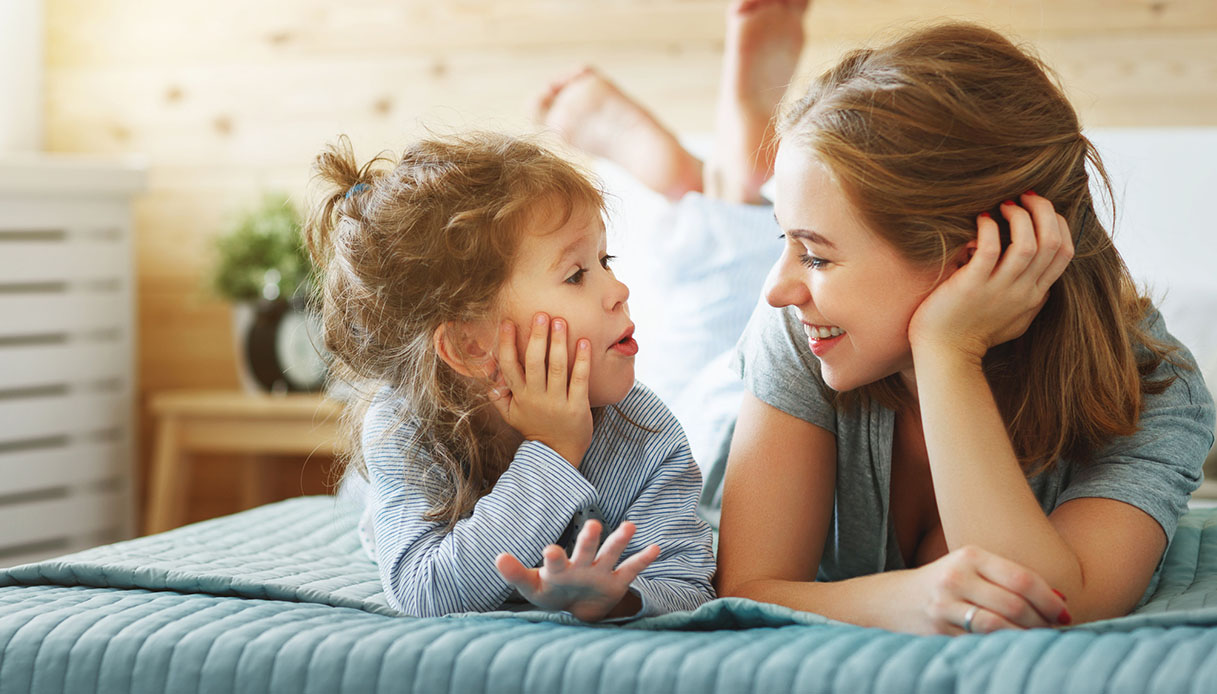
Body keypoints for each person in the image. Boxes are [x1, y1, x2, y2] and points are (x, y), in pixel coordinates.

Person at [539, 3, 1216, 635]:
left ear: (974, 259)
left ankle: (727, 182)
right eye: (794, 245)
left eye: (815, 255)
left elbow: (1051, 605)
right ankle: (720, 168)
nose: (780, 291)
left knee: (728, 284)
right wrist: (905, 599)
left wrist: (947, 350)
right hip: (717, 414)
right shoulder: (796, 331)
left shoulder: (1155, 390)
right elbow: (746, 583)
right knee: (710, 319)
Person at [306, 133, 715, 621]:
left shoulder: (646, 433)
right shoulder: (405, 427)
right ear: (471, 346)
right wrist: (552, 451)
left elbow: (689, 583)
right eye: (576, 275)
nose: (620, 290)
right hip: (388, 493)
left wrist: (618, 597)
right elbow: (426, 592)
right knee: (368, 500)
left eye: (606, 262)